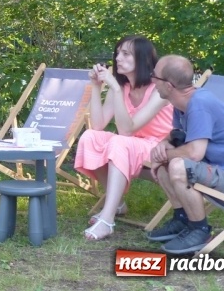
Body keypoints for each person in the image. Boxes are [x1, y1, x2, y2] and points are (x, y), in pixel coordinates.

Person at [146, 55, 224, 254]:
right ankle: (182, 220)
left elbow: (194, 153)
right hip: (216, 170)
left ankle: (200, 230)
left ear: (169, 85)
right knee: (167, 164)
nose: (151, 79)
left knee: (178, 165)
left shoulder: (199, 104)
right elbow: (178, 134)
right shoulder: (182, 103)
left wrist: (163, 156)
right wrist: (163, 144)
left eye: (154, 76)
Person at [74, 35, 174, 241]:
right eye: (118, 53)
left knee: (119, 141)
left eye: (126, 54)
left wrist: (116, 88)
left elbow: (127, 130)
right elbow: (99, 125)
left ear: (144, 59)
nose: (118, 58)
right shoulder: (123, 87)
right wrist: (96, 86)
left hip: (161, 147)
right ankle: (117, 204)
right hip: (133, 145)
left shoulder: (158, 91)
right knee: (90, 138)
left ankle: (107, 221)